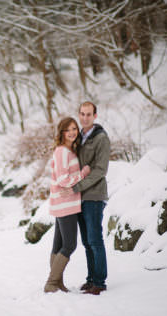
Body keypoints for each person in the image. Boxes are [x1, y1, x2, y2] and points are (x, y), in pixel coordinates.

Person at [44, 117, 90, 293]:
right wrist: (83, 173)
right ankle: (51, 282)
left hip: (64, 203)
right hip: (65, 204)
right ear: (62, 132)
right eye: (68, 130)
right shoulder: (62, 151)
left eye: (74, 129)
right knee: (69, 244)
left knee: (59, 245)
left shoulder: (69, 151)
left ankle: (57, 283)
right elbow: (63, 180)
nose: (72, 132)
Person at [72, 101, 111, 295]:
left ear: (95, 116)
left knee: (95, 239)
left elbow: (100, 170)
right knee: (87, 241)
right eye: (82, 114)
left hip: (94, 195)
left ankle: (100, 282)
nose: (85, 117)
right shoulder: (78, 137)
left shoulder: (101, 138)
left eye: (89, 114)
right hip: (79, 197)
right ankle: (90, 279)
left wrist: (78, 186)